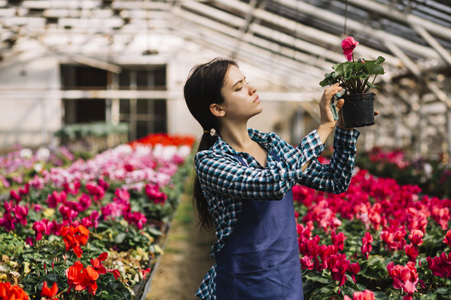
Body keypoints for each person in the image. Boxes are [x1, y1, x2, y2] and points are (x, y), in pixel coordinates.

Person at [183, 57, 361, 300]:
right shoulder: (211, 161)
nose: (251, 88)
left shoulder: (271, 144)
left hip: (286, 278)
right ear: (217, 109)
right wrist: (322, 129)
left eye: (246, 81)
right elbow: (272, 184)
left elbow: (334, 180)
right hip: (244, 284)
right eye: (239, 88)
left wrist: (343, 126)